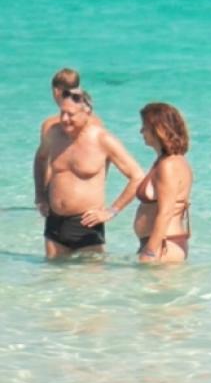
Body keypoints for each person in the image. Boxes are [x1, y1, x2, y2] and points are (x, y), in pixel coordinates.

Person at [38, 89, 142, 257]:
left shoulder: (103, 139)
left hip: (86, 225)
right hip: (54, 222)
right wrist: (40, 196)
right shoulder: (54, 134)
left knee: (90, 282)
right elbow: (40, 159)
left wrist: (111, 211)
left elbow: (137, 176)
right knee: (52, 279)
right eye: (62, 113)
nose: (64, 119)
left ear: (86, 112)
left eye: (70, 114)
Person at [32, 69, 103, 217]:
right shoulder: (96, 123)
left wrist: (41, 196)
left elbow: (45, 162)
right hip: (89, 205)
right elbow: (101, 164)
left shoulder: (51, 125)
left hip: (57, 201)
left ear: (56, 91)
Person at [133, 102, 193, 262]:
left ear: (158, 129)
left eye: (144, 126)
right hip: (161, 243)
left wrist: (150, 252)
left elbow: (166, 212)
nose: (141, 131)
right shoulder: (167, 161)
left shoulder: (169, 165)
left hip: (163, 245)